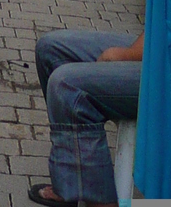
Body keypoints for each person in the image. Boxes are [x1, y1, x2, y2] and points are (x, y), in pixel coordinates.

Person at [28, 28, 143, 206]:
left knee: (66, 85)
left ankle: (99, 202)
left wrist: (122, 55)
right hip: (158, 44)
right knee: (50, 49)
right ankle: (72, 185)